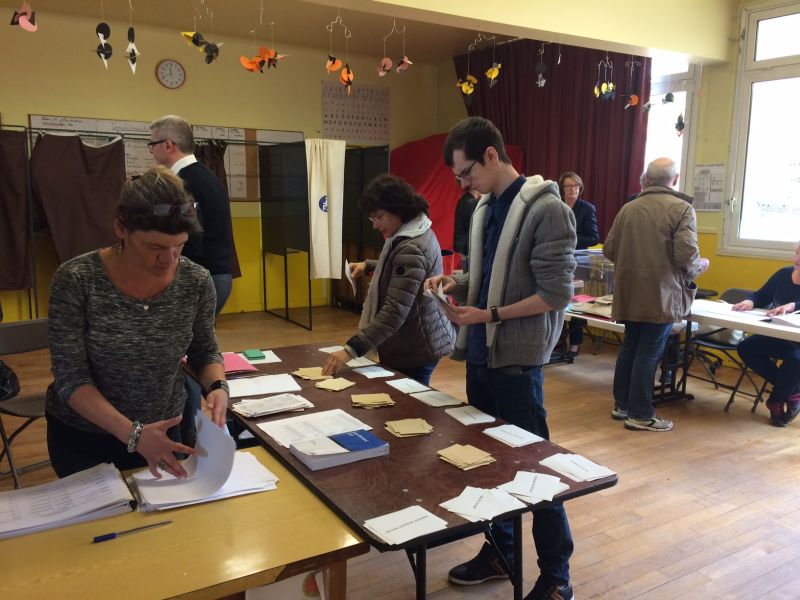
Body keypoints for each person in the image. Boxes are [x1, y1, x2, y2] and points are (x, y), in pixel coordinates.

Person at [424, 117, 577, 600]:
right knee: (489, 467)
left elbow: (555, 294)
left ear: (492, 155)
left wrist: (487, 313)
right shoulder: (484, 207)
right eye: (456, 178)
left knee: (535, 471)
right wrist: (455, 283)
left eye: (465, 173)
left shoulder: (548, 209)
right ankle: (500, 552)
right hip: (481, 357)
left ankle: (556, 578)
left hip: (516, 359)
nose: (463, 185)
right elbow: (486, 273)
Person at [46, 166, 229, 479]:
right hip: (87, 439)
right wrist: (134, 435)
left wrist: (218, 387)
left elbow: (204, 350)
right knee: (101, 526)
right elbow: (70, 377)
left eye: (179, 246)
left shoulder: (196, 281)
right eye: (155, 247)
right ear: (121, 228)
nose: (169, 259)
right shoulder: (78, 279)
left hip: (164, 433)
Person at [603, 157, 709, 432]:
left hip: (628, 292)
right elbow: (686, 255)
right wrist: (701, 266)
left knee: (630, 347)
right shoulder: (682, 209)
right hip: (661, 294)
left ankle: (622, 405)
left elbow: (609, 250)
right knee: (649, 352)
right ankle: (640, 414)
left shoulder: (628, 208)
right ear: (674, 180)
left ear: (647, 180)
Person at [322, 174, 455, 385]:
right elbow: (402, 270)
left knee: (410, 408)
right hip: (413, 340)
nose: (375, 225)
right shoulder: (413, 230)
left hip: (415, 347)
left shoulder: (412, 246)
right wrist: (369, 265)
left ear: (398, 209)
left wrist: (350, 350)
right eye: (372, 218)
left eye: (379, 217)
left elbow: (394, 312)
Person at [149, 114, 235, 316]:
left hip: (203, 279)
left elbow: (191, 238)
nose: (151, 150)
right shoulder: (206, 176)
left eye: (152, 144)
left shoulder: (185, 181)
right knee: (197, 344)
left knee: (186, 343)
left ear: (169, 145)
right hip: (216, 277)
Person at [734, 242, 800, 426]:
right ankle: (793, 391)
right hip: (777, 336)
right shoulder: (783, 274)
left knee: (796, 361)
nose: (796, 259)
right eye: (796, 253)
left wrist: (793, 306)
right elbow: (761, 294)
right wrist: (750, 301)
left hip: (798, 343)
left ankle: (776, 400)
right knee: (747, 347)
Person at [558, 171, 600, 357]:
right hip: (557, 260)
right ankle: (558, 340)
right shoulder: (556, 205)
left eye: (576, 186)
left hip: (579, 262)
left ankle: (575, 343)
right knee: (557, 301)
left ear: (580, 188)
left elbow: (593, 237)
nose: (572, 189)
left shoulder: (587, 208)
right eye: (568, 186)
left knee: (575, 304)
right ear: (562, 189)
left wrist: (569, 238)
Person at [453, 188, 480, 272]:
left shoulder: (463, 200)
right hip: (469, 249)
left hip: (463, 248)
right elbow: (475, 228)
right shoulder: (472, 202)